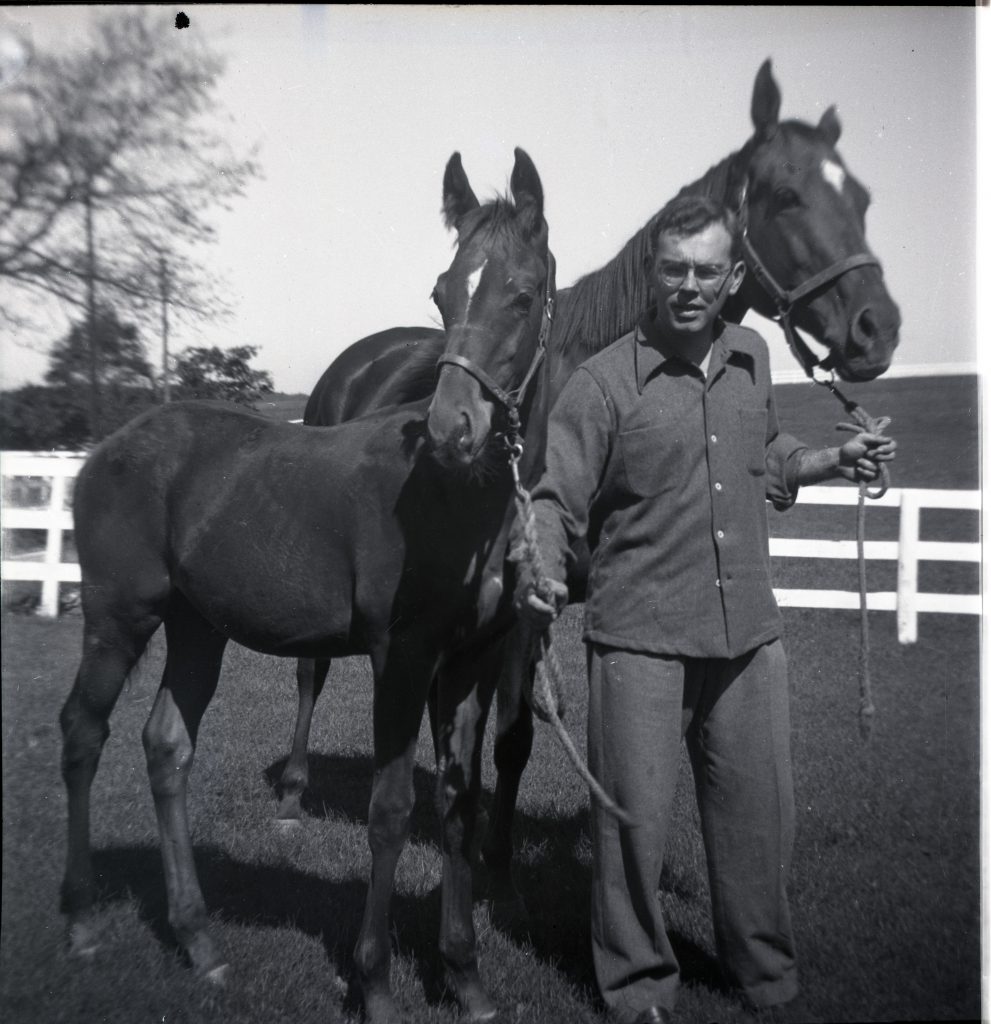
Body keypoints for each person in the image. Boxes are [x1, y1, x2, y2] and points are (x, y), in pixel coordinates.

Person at [513, 194, 896, 1024]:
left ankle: (762, 973)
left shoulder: (753, 357)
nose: (689, 285)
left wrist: (835, 457)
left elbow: (761, 452)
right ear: (654, 272)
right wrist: (540, 566)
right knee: (630, 832)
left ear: (731, 279)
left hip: (748, 641)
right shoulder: (602, 381)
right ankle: (638, 988)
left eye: (706, 270)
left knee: (760, 821)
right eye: (674, 268)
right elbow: (555, 498)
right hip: (639, 642)